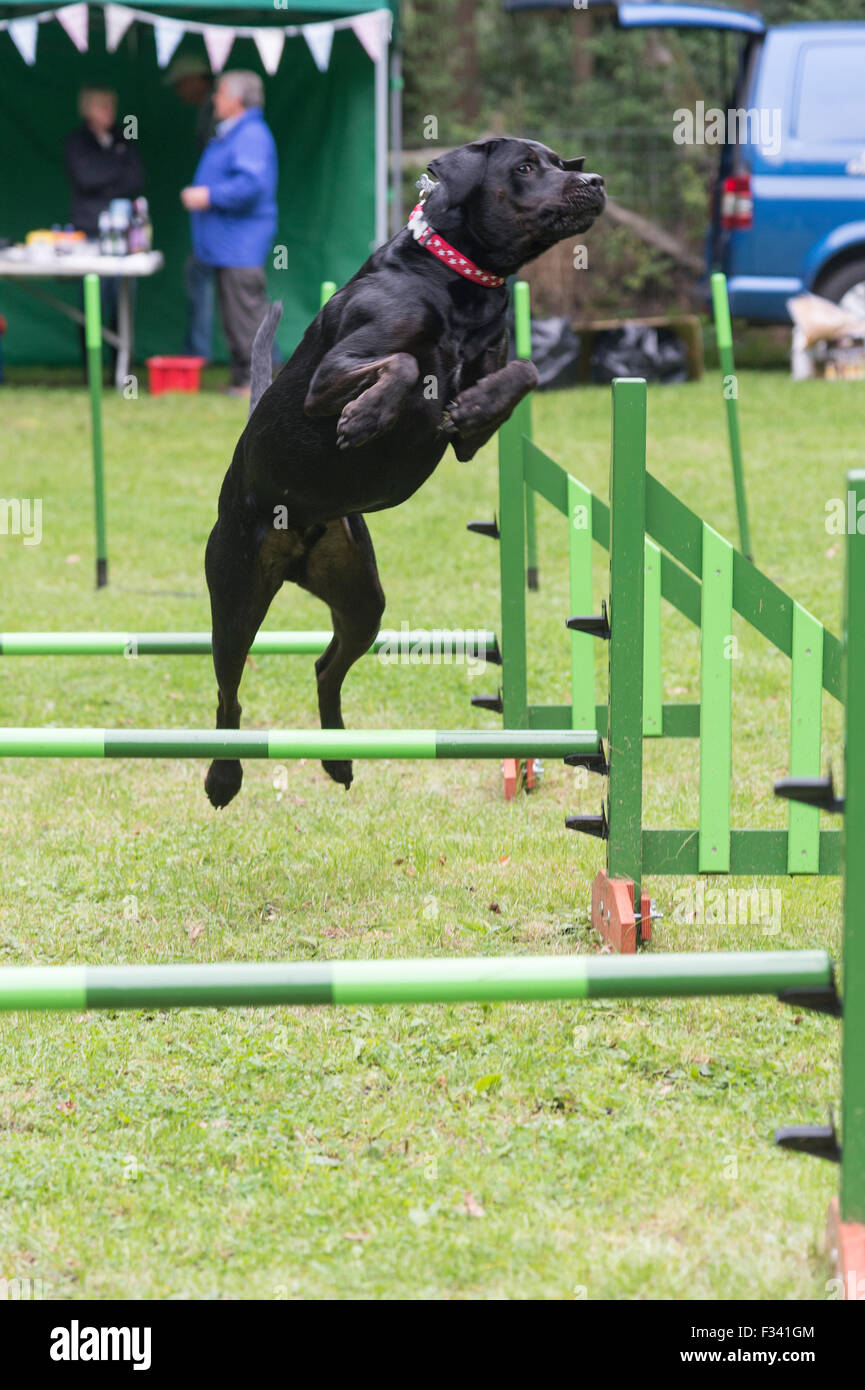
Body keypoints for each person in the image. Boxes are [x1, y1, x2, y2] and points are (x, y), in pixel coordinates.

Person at [180, 70, 278, 396]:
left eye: (219, 93)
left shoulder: (250, 135)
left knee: (246, 315)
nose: (213, 99)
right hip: (227, 243)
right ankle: (243, 379)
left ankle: (257, 384)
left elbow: (251, 185)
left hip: (241, 243)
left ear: (236, 100)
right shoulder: (236, 131)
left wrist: (208, 195)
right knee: (235, 317)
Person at [65, 86, 145, 370]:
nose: (109, 112)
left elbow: (136, 179)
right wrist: (115, 167)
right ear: (87, 109)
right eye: (102, 106)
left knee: (121, 302)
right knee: (92, 303)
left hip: (123, 235)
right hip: (89, 232)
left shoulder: (125, 137)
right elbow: (85, 177)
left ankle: (121, 369)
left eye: (111, 106)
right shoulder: (76, 140)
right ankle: (91, 369)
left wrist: (106, 171)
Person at [164, 56, 216, 360]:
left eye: (181, 83)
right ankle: (196, 352)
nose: (179, 91)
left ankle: (196, 353)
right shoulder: (209, 113)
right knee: (241, 294)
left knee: (242, 293)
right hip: (217, 224)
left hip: (226, 228)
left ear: (197, 79)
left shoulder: (218, 116)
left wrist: (207, 195)